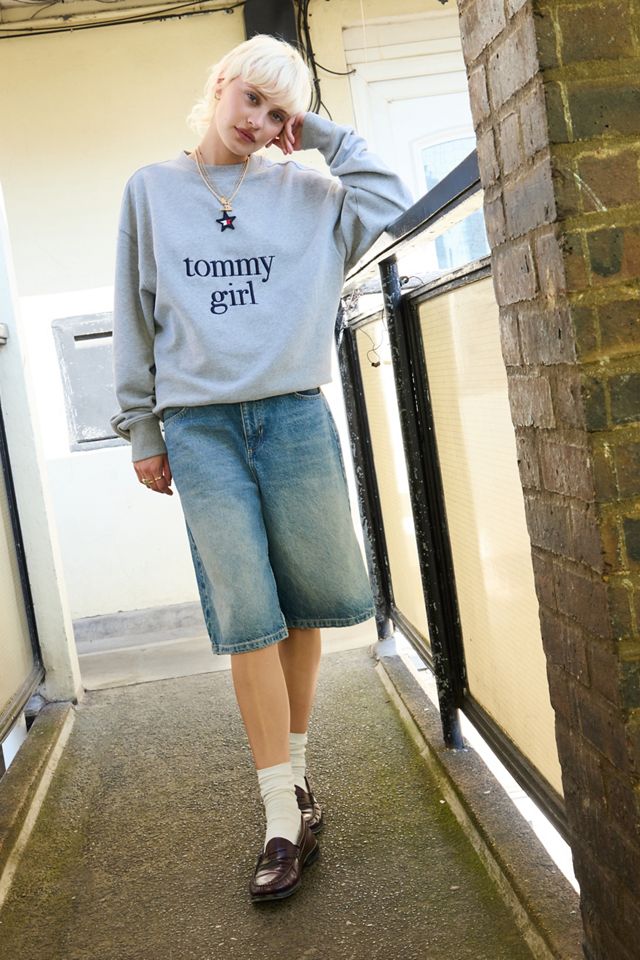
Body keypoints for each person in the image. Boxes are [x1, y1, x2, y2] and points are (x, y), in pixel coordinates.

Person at [110, 33, 412, 904]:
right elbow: (134, 315)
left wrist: (316, 132)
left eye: (278, 113)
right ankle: (281, 814)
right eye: (252, 99)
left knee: (304, 602)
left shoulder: (309, 192)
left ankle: (299, 780)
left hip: (293, 417)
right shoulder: (151, 190)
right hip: (199, 428)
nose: (259, 122)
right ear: (219, 86)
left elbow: (390, 199)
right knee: (248, 614)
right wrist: (142, 429)